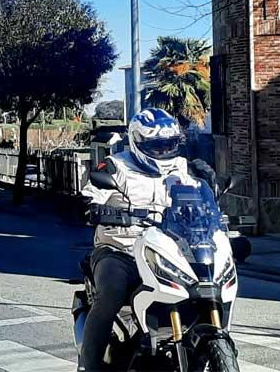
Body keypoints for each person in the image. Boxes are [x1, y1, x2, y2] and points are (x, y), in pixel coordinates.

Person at [79, 108, 215, 371]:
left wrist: (211, 185)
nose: (164, 151)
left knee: (202, 289)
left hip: (167, 251)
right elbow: (89, 194)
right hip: (120, 250)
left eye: (169, 144)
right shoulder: (115, 166)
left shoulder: (182, 168)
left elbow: (201, 197)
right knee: (111, 293)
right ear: (137, 142)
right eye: (156, 145)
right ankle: (90, 366)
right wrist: (92, 207)